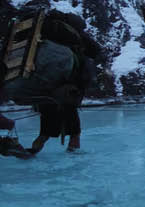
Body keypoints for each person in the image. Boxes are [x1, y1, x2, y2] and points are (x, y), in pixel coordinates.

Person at [2, 10, 101, 154]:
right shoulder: (75, 37)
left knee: (47, 107)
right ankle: (73, 143)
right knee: (69, 106)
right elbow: (95, 51)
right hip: (69, 82)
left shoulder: (46, 30)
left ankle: (40, 142)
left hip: (44, 83)